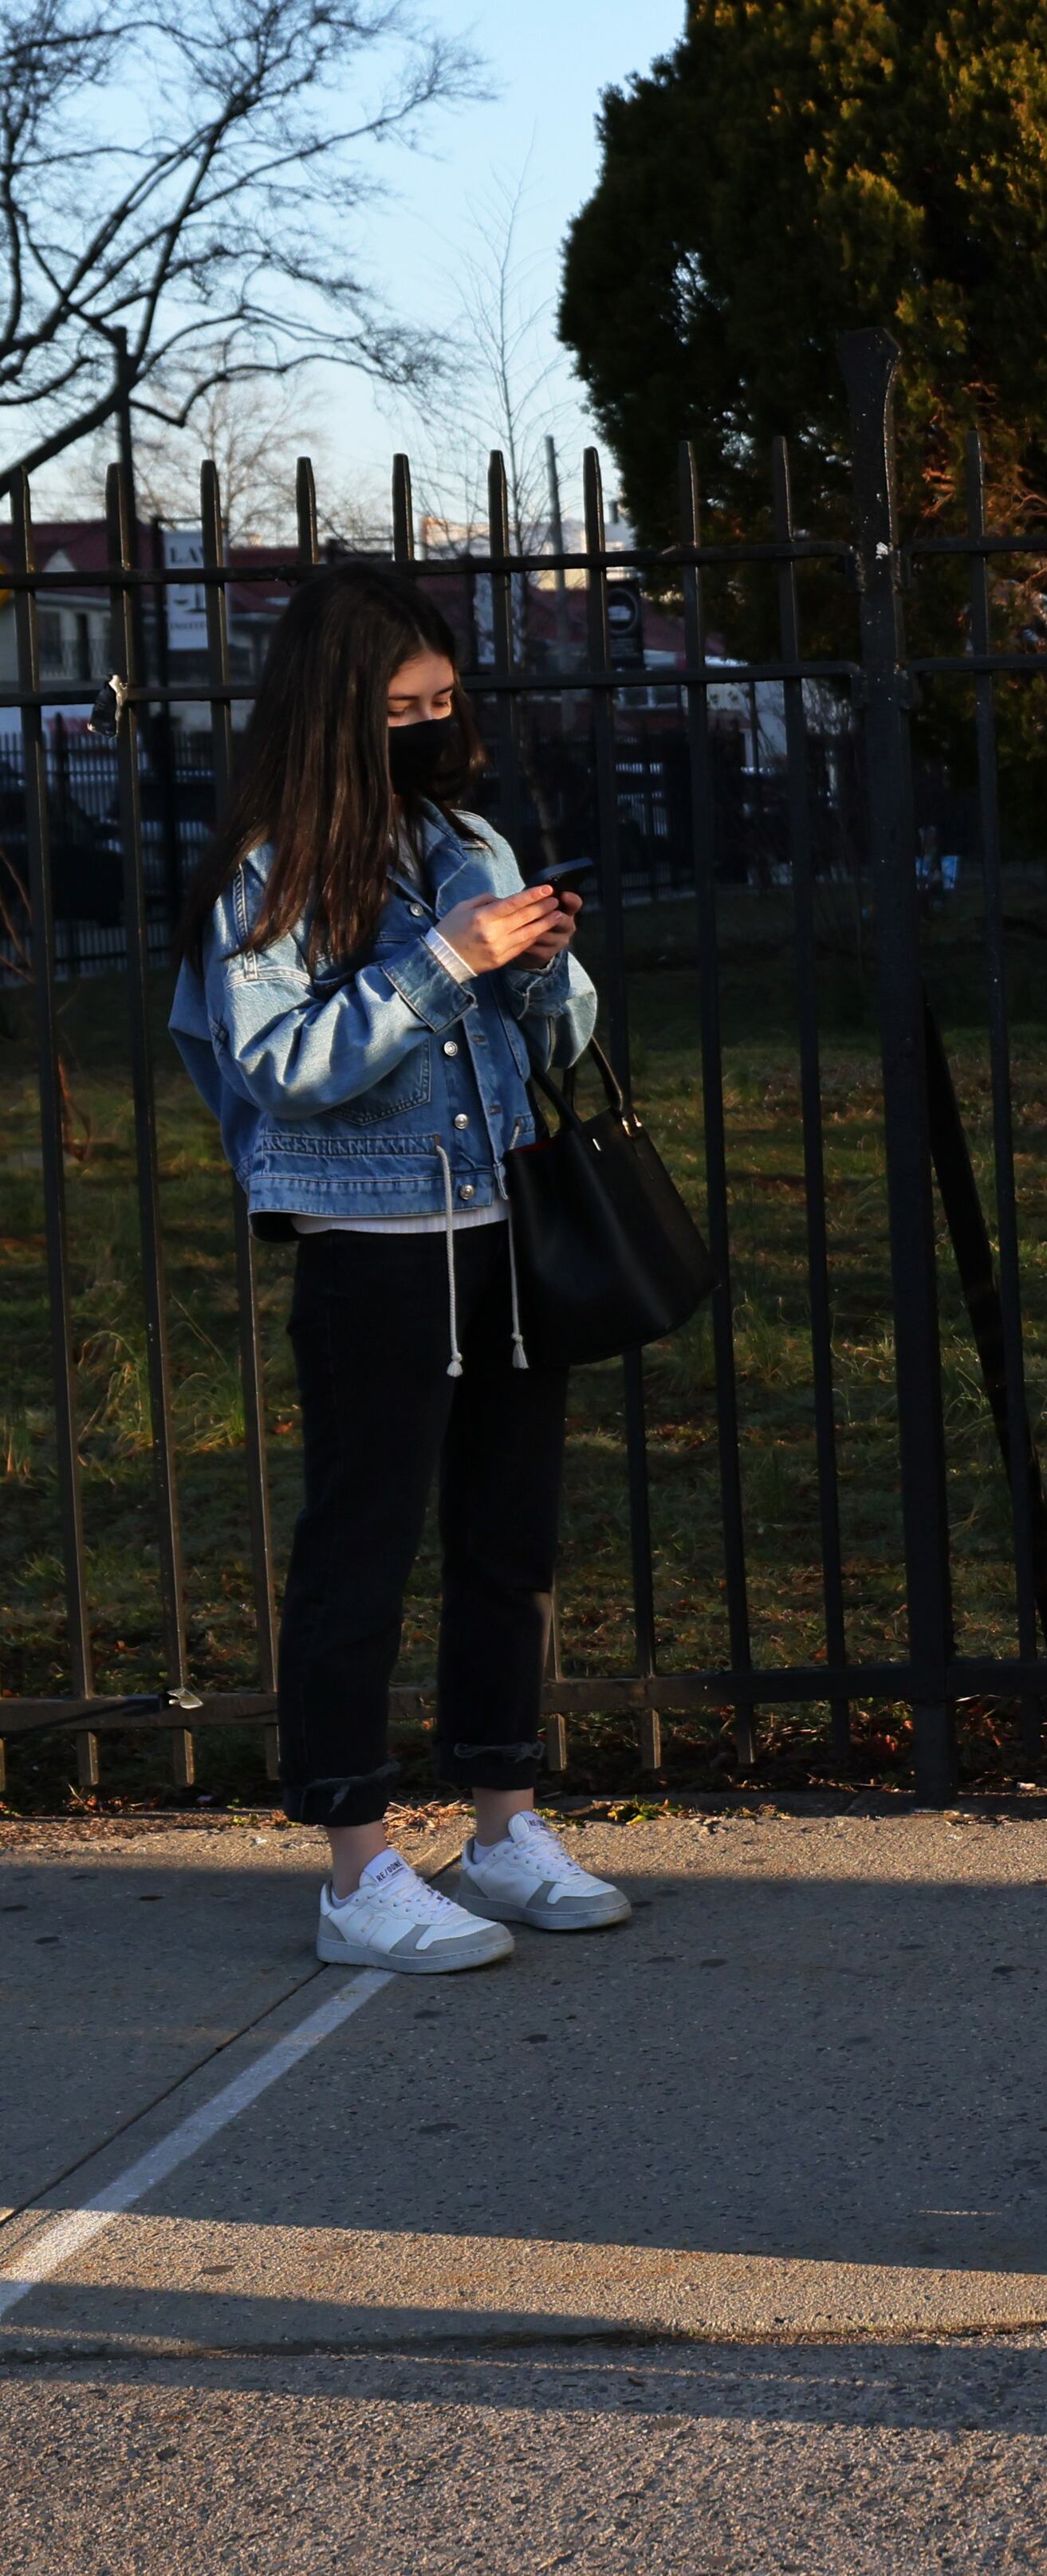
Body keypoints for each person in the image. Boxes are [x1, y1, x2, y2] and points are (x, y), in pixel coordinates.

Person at [169, 564, 626, 1972]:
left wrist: (541, 961)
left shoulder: (466, 837)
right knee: (360, 1550)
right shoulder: (277, 871)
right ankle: (357, 1865)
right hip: (373, 1250)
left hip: (501, 1228)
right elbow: (274, 1065)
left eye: (446, 702)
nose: (434, 727)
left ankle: (502, 1824)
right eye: (403, 708)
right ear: (335, 713)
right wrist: (437, 963)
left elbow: (551, 1046)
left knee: (511, 1534)